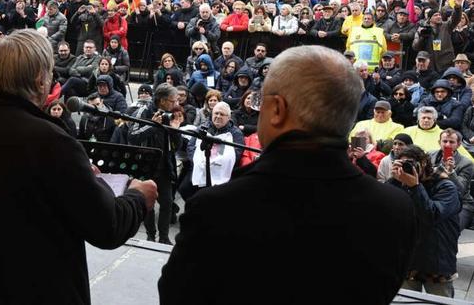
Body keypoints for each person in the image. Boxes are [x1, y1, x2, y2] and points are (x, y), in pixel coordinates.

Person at [159, 45, 417, 304]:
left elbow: (177, 296)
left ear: (277, 109)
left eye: (261, 100)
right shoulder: (395, 209)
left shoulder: (217, 208)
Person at [0, 29, 156, 305]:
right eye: (51, 73)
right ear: (41, 80)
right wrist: (137, 197)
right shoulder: (51, 141)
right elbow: (107, 226)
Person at [389, 144, 460, 298]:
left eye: (411, 164)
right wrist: (394, 181)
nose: (408, 168)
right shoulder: (399, 184)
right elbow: (384, 210)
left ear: (424, 163)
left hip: (437, 262)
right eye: (403, 164)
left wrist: (415, 187)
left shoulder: (445, 186)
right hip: (408, 260)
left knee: (441, 301)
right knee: (405, 301)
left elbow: (431, 215)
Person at [128, 83, 184, 245]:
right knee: (148, 203)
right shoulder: (144, 111)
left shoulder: (171, 114)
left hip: (165, 165)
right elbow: (132, 135)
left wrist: (175, 129)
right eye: (173, 101)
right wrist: (153, 126)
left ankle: (164, 237)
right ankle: (150, 235)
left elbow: (177, 146)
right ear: (163, 100)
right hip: (146, 165)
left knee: (167, 202)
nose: (176, 104)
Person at [429, 129, 474, 231]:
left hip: (461, 203)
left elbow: (461, 190)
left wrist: (451, 171)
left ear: (458, 145)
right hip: (435, 198)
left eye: (452, 142)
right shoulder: (430, 155)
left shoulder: (467, 163)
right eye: (445, 141)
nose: (448, 145)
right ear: (439, 142)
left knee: (450, 230)